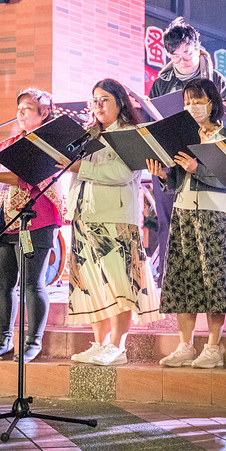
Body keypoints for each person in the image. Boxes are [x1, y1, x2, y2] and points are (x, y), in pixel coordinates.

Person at [149, 78, 226, 369]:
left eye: (198, 100)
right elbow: (177, 182)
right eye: (188, 101)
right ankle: (185, 345)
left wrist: (198, 169)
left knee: (214, 281)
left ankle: (214, 346)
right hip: (183, 213)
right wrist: (165, 175)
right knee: (182, 279)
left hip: (214, 215)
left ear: (212, 103)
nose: (192, 106)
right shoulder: (183, 137)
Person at [0, 88, 64, 363]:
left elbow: (29, 178)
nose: (20, 113)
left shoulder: (49, 144)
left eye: (27, 108)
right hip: (8, 220)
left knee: (33, 283)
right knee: (2, 282)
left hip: (39, 219)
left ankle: (33, 342)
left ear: (44, 113)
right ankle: (3, 341)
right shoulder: (7, 144)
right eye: (19, 108)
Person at [65, 79, 162, 365]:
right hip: (84, 214)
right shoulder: (88, 134)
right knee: (91, 284)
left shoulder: (130, 134)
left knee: (120, 284)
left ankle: (118, 346)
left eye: (104, 99)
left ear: (120, 101)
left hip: (115, 218)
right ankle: (99, 343)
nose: (98, 105)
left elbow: (121, 172)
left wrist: (80, 166)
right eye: (95, 100)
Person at [147, 18, 226, 284]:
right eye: (175, 56)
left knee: (207, 223)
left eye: (187, 53)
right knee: (168, 222)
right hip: (171, 158)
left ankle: (209, 278)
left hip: (207, 156)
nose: (182, 61)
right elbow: (153, 119)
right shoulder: (162, 81)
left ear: (198, 48)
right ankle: (171, 278)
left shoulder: (216, 80)